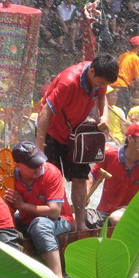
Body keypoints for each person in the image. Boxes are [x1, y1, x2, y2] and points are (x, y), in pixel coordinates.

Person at [36, 53, 119, 231]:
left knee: (80, 177)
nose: (102, 86)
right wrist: (39, 149)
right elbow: (45, 113)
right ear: (92, 70)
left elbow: (102, 97)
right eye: (101, 82)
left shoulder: (100, 77)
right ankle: (55, 220)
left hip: (76, 133)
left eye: (105, 84)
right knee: (52, 177)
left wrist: (104, 115)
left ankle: (80, 223)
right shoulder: (68, 82)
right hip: (52, 132)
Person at [4, 142, 73, 278]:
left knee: (39, 224)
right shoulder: (9, 176)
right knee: (2, 224)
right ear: (17, 165)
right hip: (27, 221)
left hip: (60, 221)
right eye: (32, 165)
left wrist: (22, 205)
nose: (38, 168)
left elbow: (54, 212)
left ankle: (58, 277)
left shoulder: (51, 173)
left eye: (39, 163)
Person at [86, 121, 139, 228]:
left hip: (130, 213)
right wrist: (86, 194)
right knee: (79, 218)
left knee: (116, 218)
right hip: (103, 212)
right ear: (130, 139)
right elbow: (92, 175)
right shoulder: (110, 155)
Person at [112, 35, 139, 111]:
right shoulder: (136, 58)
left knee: (113, 108)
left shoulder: (123, 55)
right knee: (123, 110)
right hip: (121, 85)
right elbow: (137, 79)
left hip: (112, 83)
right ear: (138, 47)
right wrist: (135, 90)